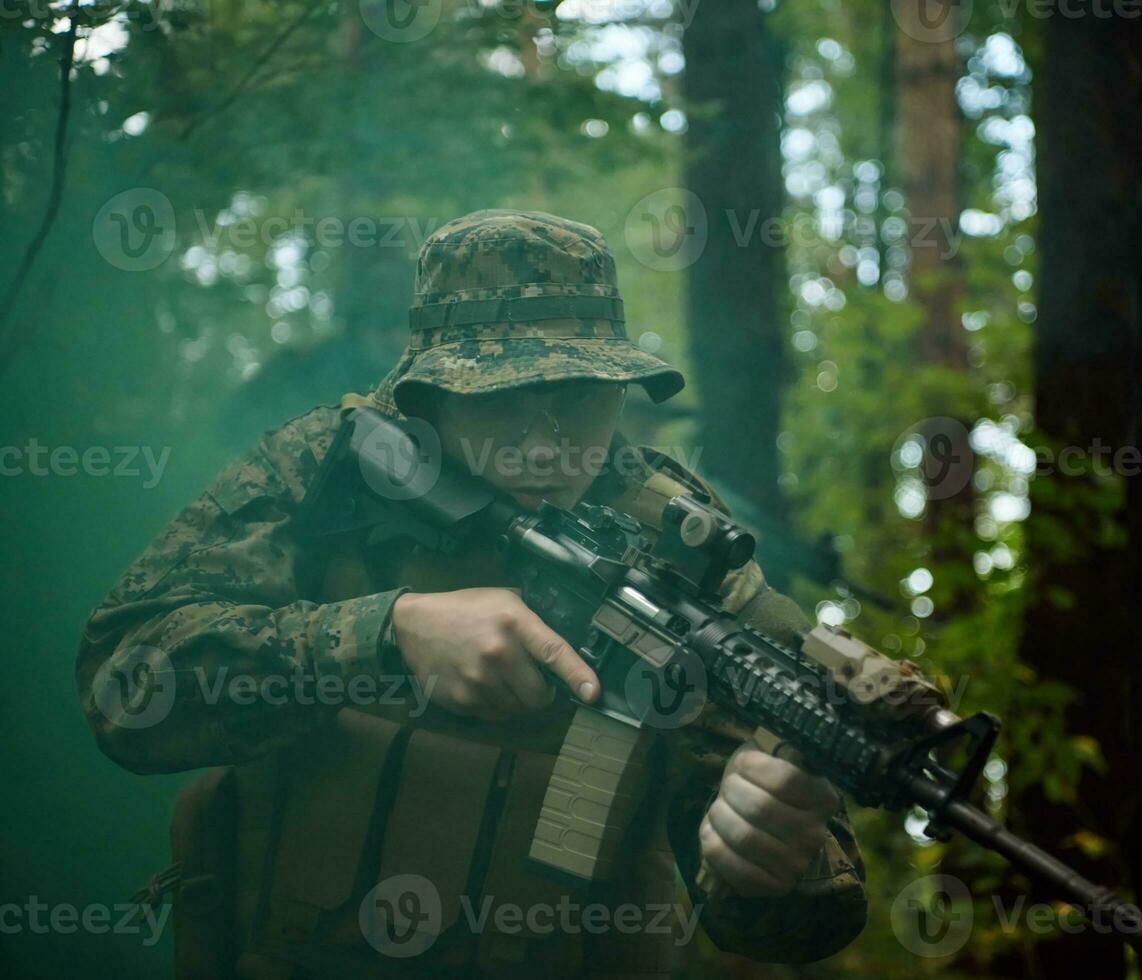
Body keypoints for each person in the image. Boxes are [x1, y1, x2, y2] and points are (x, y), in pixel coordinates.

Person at [76, 210, 867, 977]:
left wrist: (771, 861)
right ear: (426, 397)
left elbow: (794, 917)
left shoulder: (677, 547)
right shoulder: (328, 472)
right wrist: (386, 633)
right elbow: (126, 682)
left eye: (581, 398)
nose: (544, 445)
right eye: (502, 398)